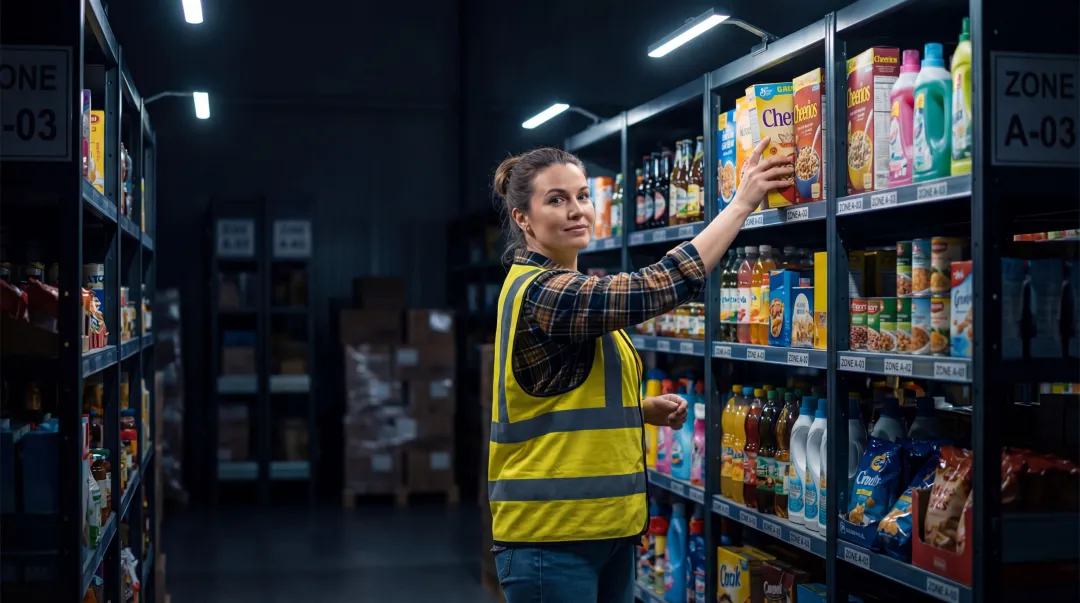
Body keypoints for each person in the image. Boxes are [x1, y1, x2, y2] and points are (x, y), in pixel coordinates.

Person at [488, 139, 792, 602]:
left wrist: (639, 409)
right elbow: (658, 287)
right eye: (556, 199)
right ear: (522, 219)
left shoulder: (570, 289)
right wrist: (740, 206)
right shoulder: (543, 294)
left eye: (582, 196)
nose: (576, 210)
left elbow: (563, 398)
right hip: (552, 538)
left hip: (606, 530)